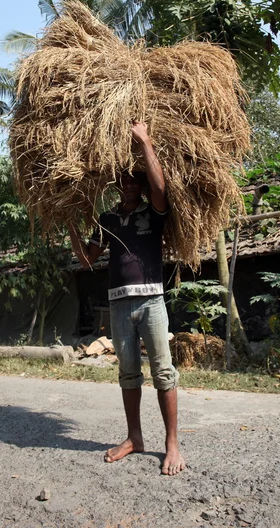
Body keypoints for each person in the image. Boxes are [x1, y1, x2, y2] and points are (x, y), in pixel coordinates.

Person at [68, 120, 185, 476]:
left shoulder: (155, 210)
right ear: (118, 184)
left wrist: (144, 139)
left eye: (137, 178)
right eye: (125, 179)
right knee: (128, 374)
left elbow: (161, 186)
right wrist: (71, 226)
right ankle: (134, 437)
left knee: (163, 372)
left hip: (151, 302)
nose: (131, 184)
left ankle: (172, 444)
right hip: (119, 304)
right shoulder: (106, 219)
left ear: (142, 183)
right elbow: (87, 258)